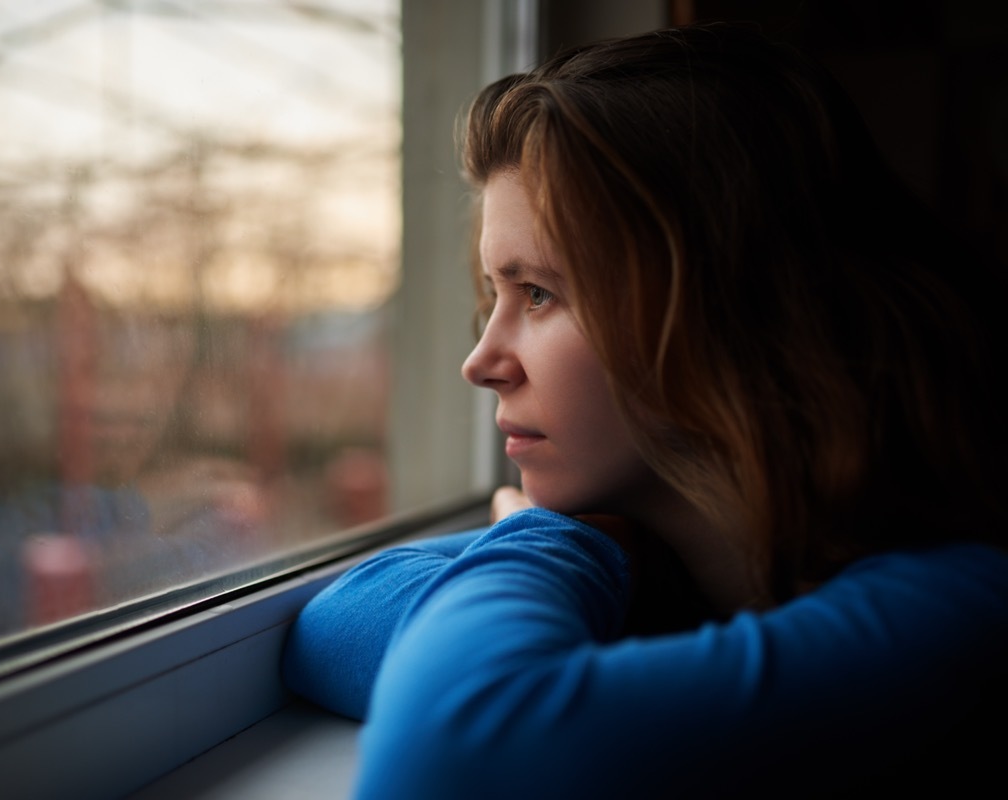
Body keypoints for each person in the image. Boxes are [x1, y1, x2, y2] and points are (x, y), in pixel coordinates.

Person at [280, 22, 1008, 798]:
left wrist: (539, 539)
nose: (482, 362)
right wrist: (587, 546)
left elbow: (449, 752)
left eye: (538, 292)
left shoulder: (967, 604)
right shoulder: (683, 562)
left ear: (726, 312)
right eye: (496, 295)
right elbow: (332, 626)